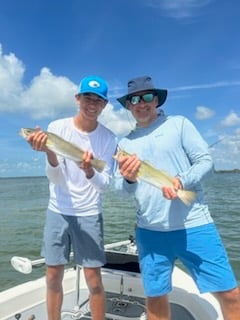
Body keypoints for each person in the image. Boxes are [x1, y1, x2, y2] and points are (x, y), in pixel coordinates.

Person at [114, 75, 240, 320]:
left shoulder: (179, 124)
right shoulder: (125, 143)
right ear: (128, 105)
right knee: (155, 298)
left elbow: (206, 162)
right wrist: (129, 178)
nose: (141, 103)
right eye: (134, 99)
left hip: (194, 225)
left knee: (231, 294)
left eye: (147, 97)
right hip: (149, 232)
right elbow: (120, 190)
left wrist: (181, 180)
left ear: (156, 100)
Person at [26, 75, 117, 320]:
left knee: (93, 280)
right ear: (78, 99)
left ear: (105, 105)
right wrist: (50, 154)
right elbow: (56, 179)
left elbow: (105, 185)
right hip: (58, 209)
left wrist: (89, 171)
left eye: (99, 100)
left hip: (89, 213)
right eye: (88, 97)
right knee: (53, 275)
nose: (92, 103)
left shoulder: (109, 138)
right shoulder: (57, 128)